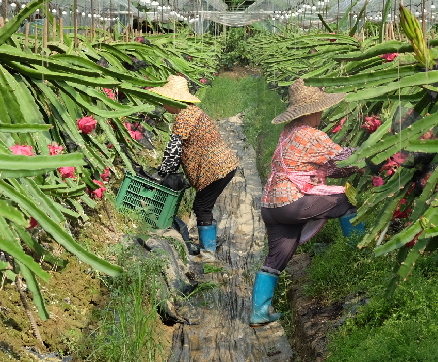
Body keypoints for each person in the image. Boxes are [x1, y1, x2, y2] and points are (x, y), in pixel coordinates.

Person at [250, 79, 358, 327]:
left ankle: (258, 314)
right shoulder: (312, 135)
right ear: (313, 110)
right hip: (291, 203)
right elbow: (344, 161)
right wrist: (373, 152)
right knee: (345, 200)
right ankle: (358, 256)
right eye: (320, 108)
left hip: (271, 205)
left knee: (277, 258)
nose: (322, 113)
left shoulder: (288, 131)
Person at [148, 75, 239, 255]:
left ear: (172, 100)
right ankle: (209, 247)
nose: (163, 106)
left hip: (215, 169)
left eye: (164, 101)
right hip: (223, 165)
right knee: (204, 205)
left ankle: (208, 253)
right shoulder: (191, 111)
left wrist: (162, 173)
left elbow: (174, 149)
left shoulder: (184, 117)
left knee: (201, 206)